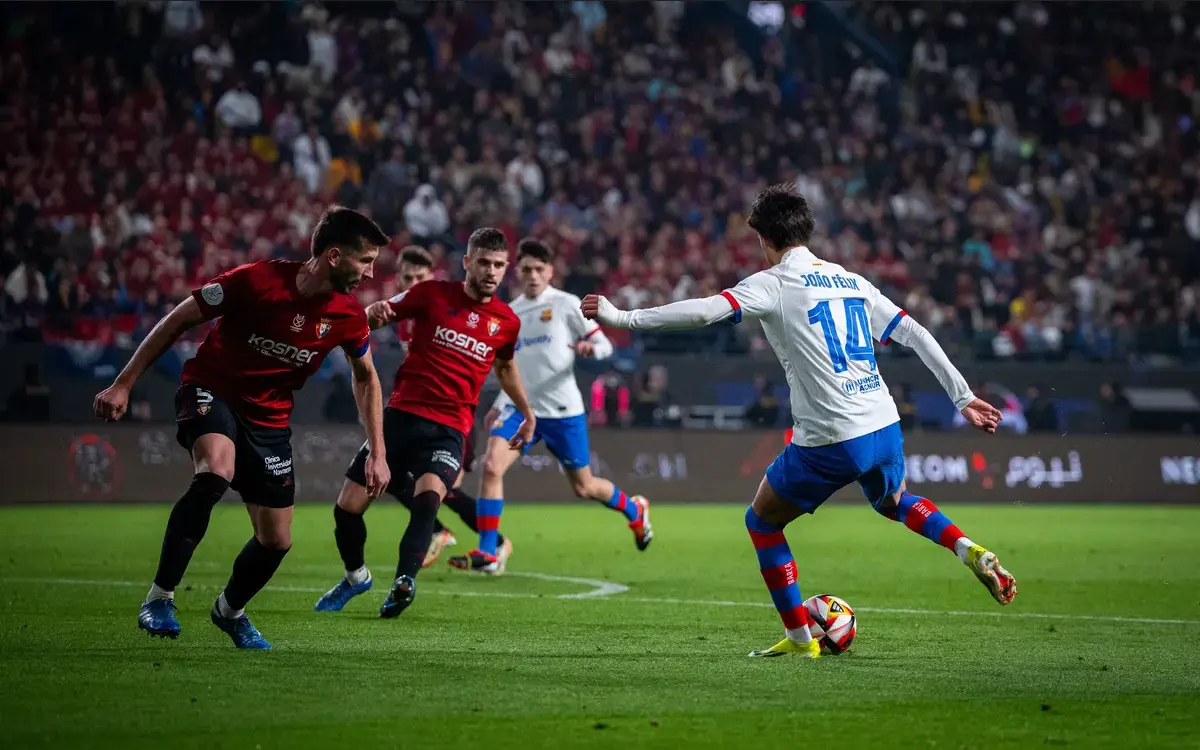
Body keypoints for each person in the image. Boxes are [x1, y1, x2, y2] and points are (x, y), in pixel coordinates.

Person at [582, 184, 1016, 659]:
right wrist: (964, 396)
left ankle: (799, 638)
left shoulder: (773, 283)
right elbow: (913, 331)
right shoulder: (850, 279)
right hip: (883, 423)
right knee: (894, 502)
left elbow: (706, 311)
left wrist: (623, 317)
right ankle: (966, 548)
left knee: (762, 521)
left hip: (832, 436)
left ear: (764, 240)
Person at [92, 206, 392, 650]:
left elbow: (366, 377)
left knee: (276, 540)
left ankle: (229, 611)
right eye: (365, 260)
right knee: (215, 469)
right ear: (334, 256)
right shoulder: (256, 281)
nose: (370, 273)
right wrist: (124, 383)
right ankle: (159, 598)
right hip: (211, 389)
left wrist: (378, 451)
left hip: (269, 419)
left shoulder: (349, 316)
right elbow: (179, 319)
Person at [314, 228, 535, 619]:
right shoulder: (430, 295)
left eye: (499, 265)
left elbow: (504, 366)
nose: (491, 271)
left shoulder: (506, 322)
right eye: (484, 262)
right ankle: (355, 576)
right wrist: (372, 315)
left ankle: (404, 583)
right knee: (347, 508)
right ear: (467, 263)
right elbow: (378, 313)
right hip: (401, 417)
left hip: (450, 429)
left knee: (427, 502)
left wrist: (527, 411)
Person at [449, 238, 652, 575]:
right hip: (520, 409)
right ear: (517, 272)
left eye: (538, 269)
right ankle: (488, 551)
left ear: (550, 272)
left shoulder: (566, 304)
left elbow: (604, 346)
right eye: (526, 269)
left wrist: (591, 351)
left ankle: (634, 510)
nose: (532, 275)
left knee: (585, 487)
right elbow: (508, 368)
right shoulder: (509, 313)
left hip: (562, 411)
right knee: (492, 466)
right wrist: (501, 402)